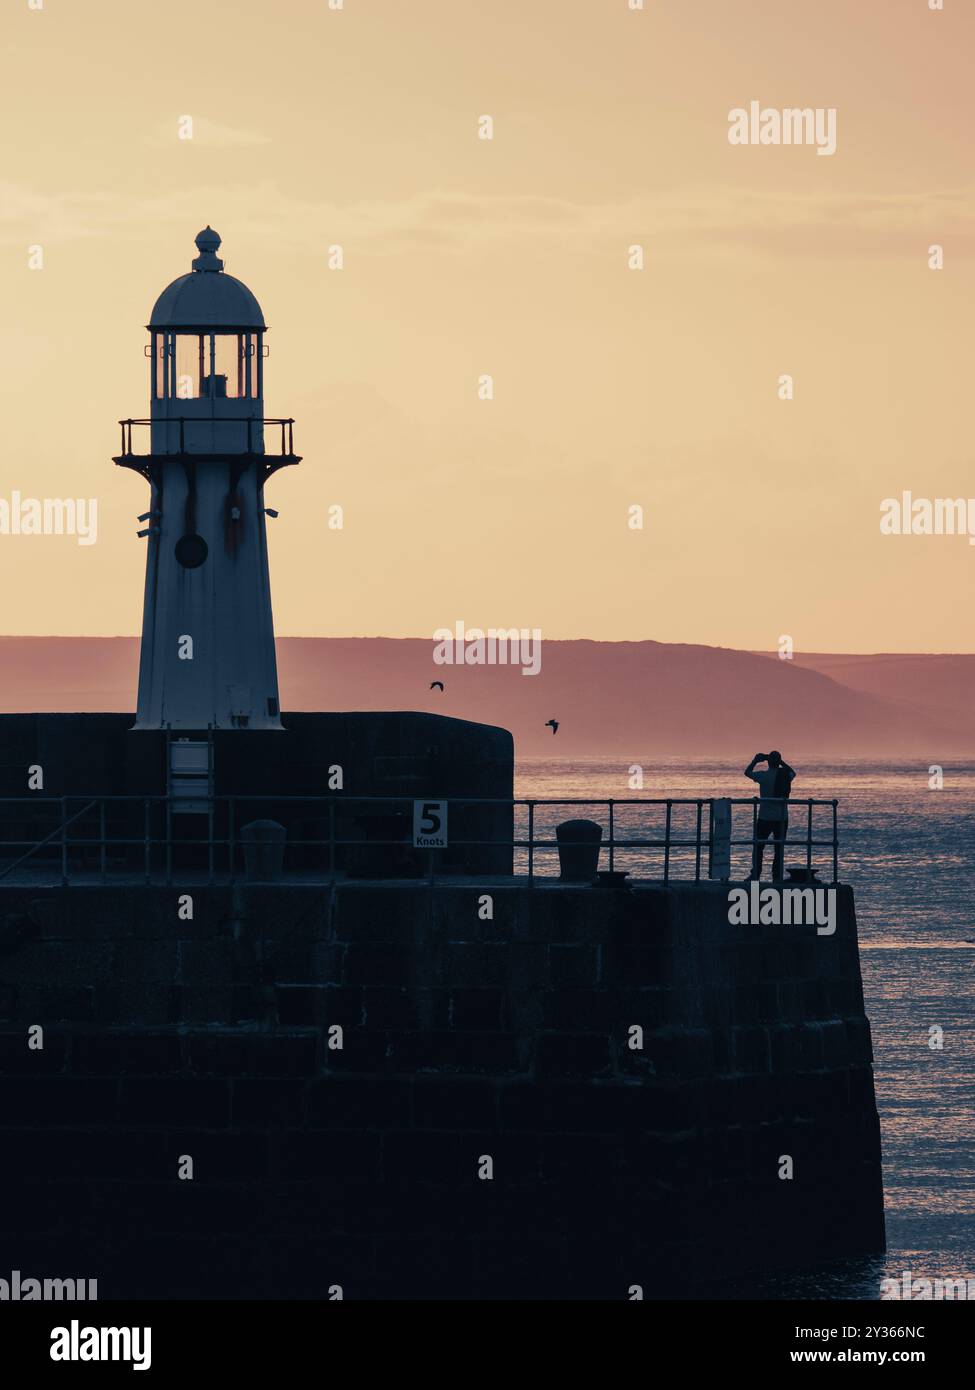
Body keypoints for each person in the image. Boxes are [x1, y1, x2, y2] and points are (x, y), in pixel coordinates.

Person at [743, 750, 796, 881]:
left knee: (758, 846)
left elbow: (747, 772)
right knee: (779, 848)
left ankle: (755, 874)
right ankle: (776, 876)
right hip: (781, 818)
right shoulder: (785, 776)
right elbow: (793, 772)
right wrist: (781, 762)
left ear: (768, 762)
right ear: (778, 762)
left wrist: (755, 760)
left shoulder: (763, 776)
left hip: (765, 817)